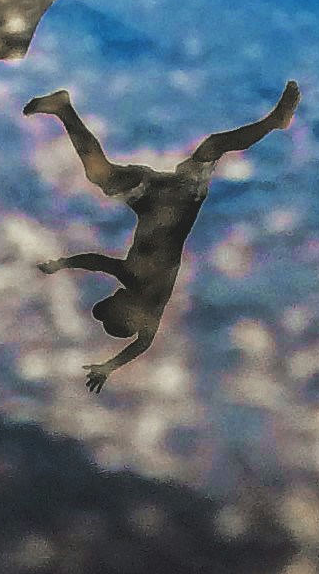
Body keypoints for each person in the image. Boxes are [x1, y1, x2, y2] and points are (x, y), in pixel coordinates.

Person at [24, 78, 302, 391]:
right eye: (115, 302)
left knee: (100, 174)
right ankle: (275, 122)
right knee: (210, 148)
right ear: (129, 311)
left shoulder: (129, 278)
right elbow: (142, 342)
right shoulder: (153, 298)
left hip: (150, 204)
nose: (115, 293)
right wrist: (109, 367)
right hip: (181, 199)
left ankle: (63, 108)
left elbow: (95, 262)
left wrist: (61, 264)